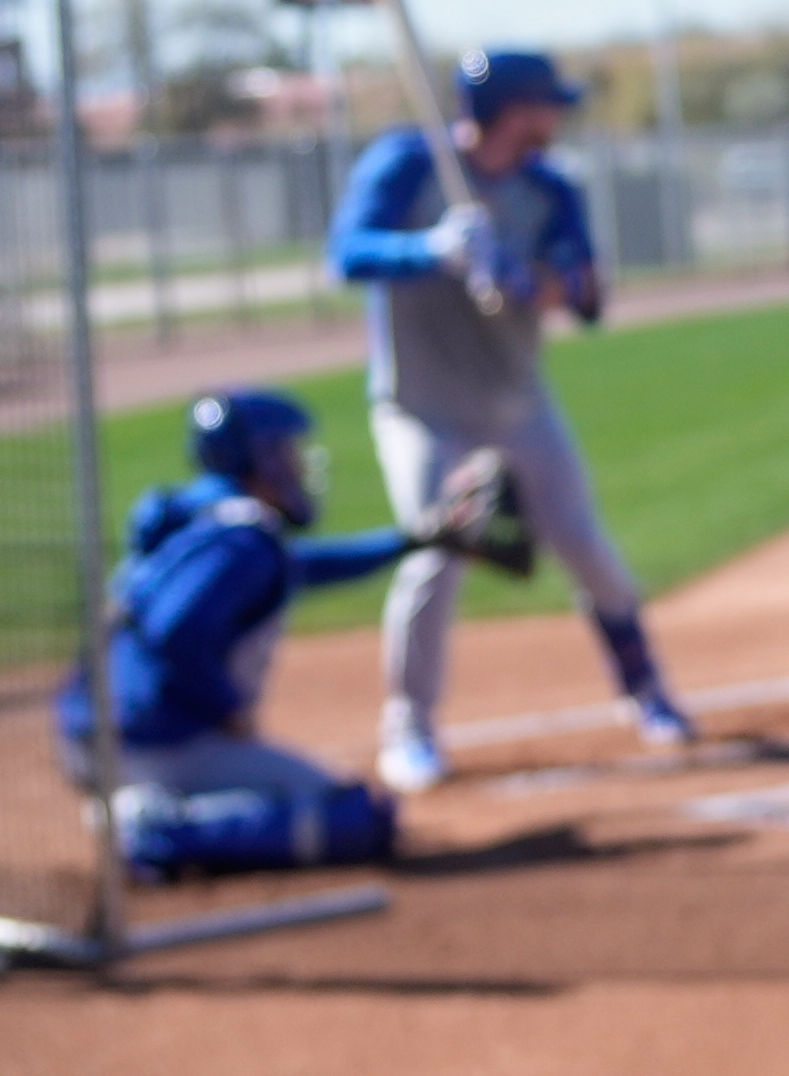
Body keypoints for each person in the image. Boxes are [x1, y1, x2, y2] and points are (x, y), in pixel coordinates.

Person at [328, 45, 692, 787]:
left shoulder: (549, 189)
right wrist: (429, 250)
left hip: (520, 403)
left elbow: (586, 297)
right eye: (547, 105)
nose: (557, 117)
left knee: (586, 549)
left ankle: (647, 692)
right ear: (513, 111)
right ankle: (411, 728)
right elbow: (347, 254)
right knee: (435, 558)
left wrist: (529, 281)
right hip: (424, 408)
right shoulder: (408, 165)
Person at [56, 387, 525, 879]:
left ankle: (146, 805)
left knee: (330, 804)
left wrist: (413, 539)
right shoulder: (242, 540)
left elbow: (298, 567)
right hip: (152, 741)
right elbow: (175, 632)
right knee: (356, 820)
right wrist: (224, 706)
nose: (299, 466)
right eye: (287, 452)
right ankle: (154, 828)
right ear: (261, 457)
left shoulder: (198, 518)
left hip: (96, 733)